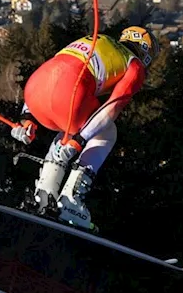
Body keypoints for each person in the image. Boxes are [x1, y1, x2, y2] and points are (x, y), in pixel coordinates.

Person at [11, 26, 155, 230]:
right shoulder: (134, 66)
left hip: (35, 91)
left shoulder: (96, 40)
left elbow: (53, 69)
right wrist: (80, 140)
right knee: (107, 132)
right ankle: (71, 201)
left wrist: (27, 117)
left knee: (67, 130)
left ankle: (43, 195)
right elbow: (111, 108)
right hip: (67, 95)